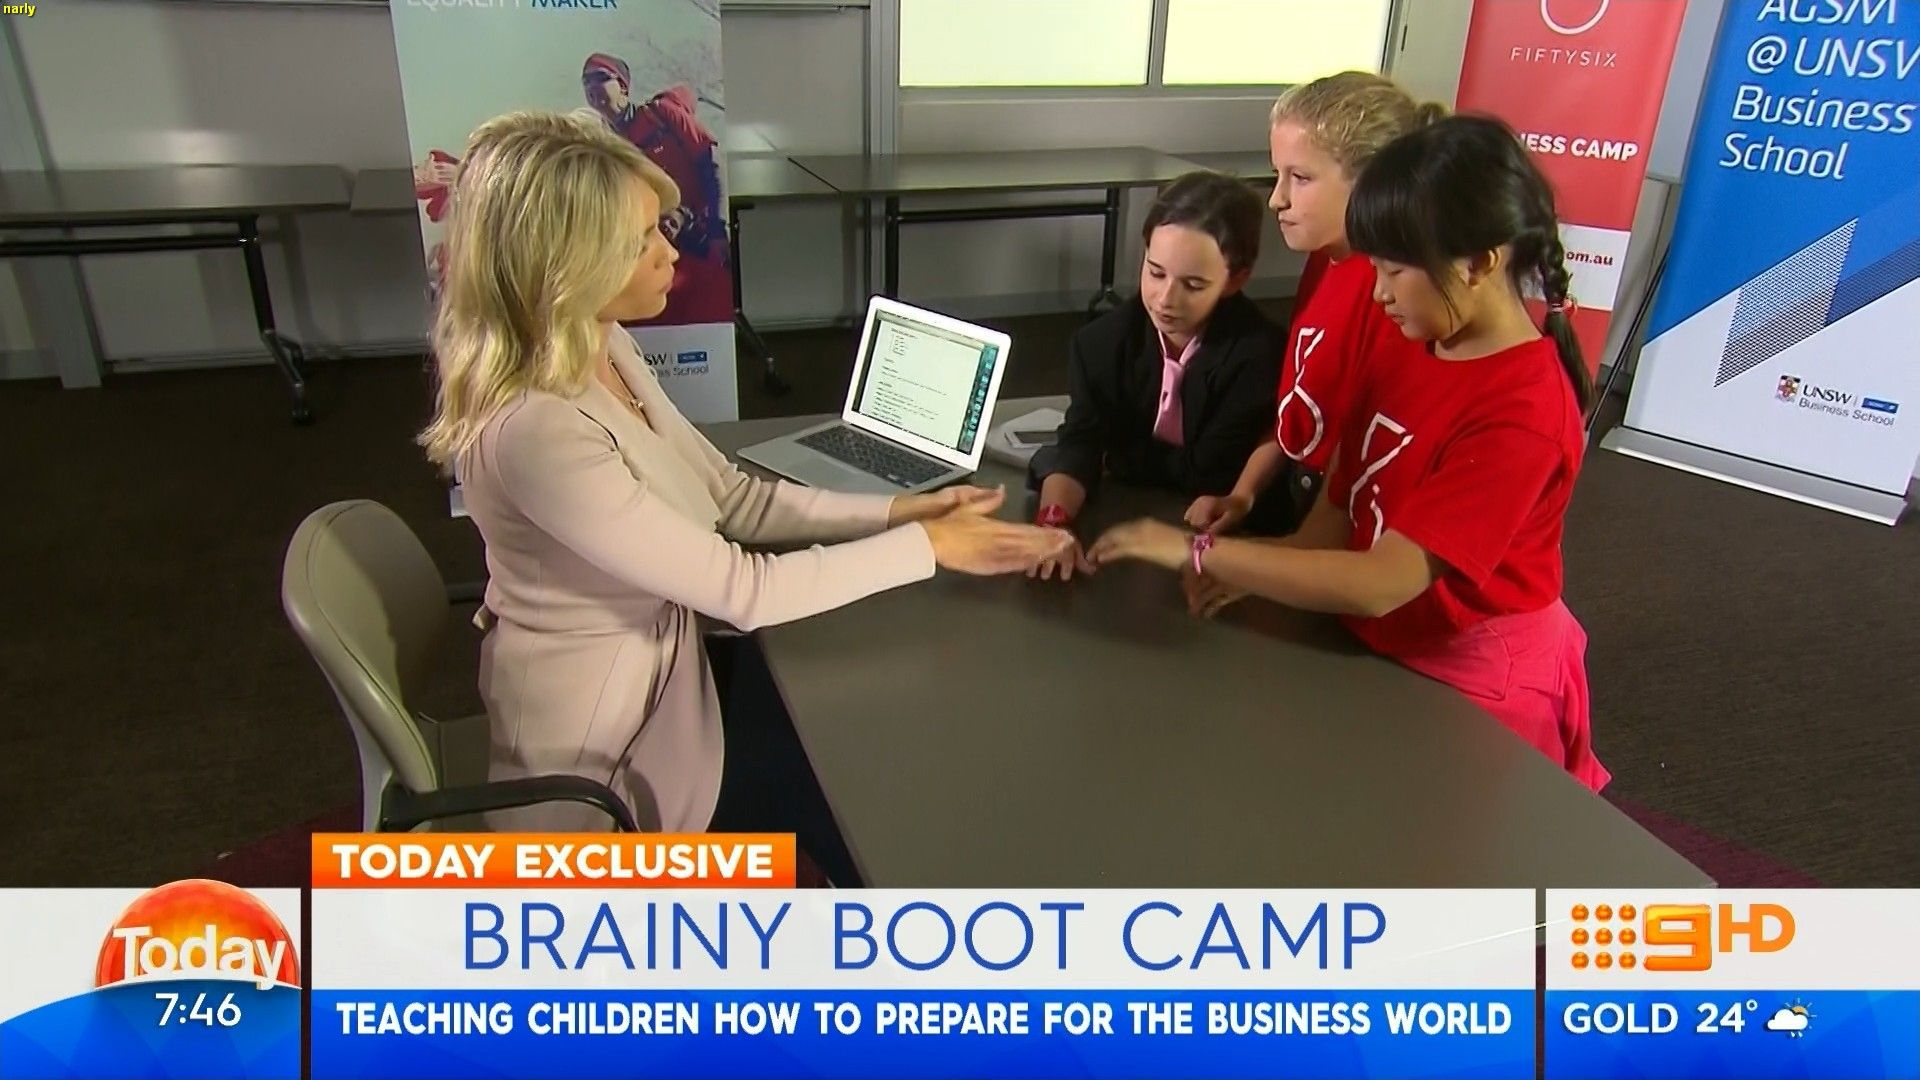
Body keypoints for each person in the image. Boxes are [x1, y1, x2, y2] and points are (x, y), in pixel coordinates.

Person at [418, 109, 1070, 835]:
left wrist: (899, 513)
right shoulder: (537, 432)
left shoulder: (603, 343)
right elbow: (744, 591)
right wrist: (933, 548)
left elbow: (729, 496)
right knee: (868, 785)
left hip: (673, 674)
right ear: (566, 268)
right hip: (608, 760)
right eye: (640, 242)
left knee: (866, 723)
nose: (670, 253)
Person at [1090, 115, 1608, 792]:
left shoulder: (1524, 410)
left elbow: (1382, 582)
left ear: (1479, 263)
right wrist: (1265, 565)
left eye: (1395, 270)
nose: (1379, 291)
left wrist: (1194, 551)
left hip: (1465, 667)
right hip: (1378, 637)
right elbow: (1342, 501)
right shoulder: (1410, 333)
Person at [1190, 72, 1445, 537]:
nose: (1276, 199)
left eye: (1301, 178)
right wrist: (1244, 493)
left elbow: (1370, 453)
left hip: (1348, 518)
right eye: (1278, 175)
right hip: (1304, 492)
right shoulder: (1323, 258)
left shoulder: (1391, 289)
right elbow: (1302, 409)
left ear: (1370, 181)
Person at [1026, 171, 1284, 580]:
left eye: (1193, 285)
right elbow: (1080, 442)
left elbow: (1237, 455)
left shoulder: (1260, 353)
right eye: (1156, 272)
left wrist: (1240, 496)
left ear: (1235, 280)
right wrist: (1053, 524)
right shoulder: (1100, 344)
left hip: (1219, 533)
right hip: (1126, 518)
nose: (1165, 299)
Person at [582, 53, 732, 325]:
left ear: (623, 86)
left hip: (702, 235)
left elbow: (711, 164)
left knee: (715, 304)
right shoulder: (604, 143)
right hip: (658, 246)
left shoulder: (662, 114)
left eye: (600, 78)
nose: (592, 87)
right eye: (586, 82)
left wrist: (717, 229)